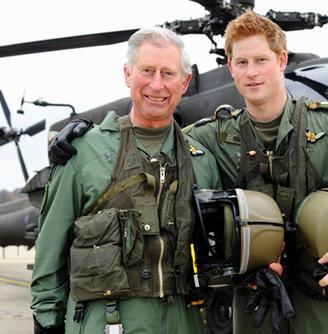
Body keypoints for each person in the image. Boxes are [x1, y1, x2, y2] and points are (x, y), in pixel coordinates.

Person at [50, 11, 328, 333]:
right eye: (241, 63)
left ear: (281, 61)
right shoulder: (212, 138)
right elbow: (152, 132)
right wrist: (86, 132)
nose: (251, 72)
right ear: (230, 67)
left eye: (261, 60)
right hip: (252, 307)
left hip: (324, 305)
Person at [31, 27, 221, 334]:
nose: (157, 84)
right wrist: (47, 320)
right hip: (106, 321)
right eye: (147, 71)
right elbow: (51, 244)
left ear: (184, 82)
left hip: (183, 321)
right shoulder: (84, 152)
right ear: (127, 74)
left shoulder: (203, 160)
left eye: (168, 73)